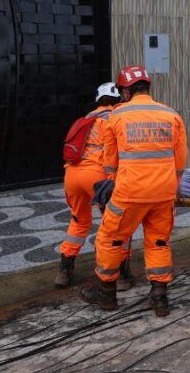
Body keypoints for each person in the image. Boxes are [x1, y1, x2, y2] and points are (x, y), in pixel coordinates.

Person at [80, 65, 188, 317]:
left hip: (130, 192)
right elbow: (180, 160)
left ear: (126, 91)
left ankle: (106, 294)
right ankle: (160, 299)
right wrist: (173, 186)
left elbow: (110, 161)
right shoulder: (170, 114)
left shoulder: (116, 116)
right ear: (147, 88)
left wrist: (110, 182)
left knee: (111, 239)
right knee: (159, 241)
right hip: (163, 192)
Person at [55, 83, 133, 289]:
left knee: (79, 221)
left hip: (72, 174)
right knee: (116, 225)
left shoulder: (86, 118)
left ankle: (65, 270)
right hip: (98, 176)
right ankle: (120, 274)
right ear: (120, 100)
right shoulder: (117, 118)